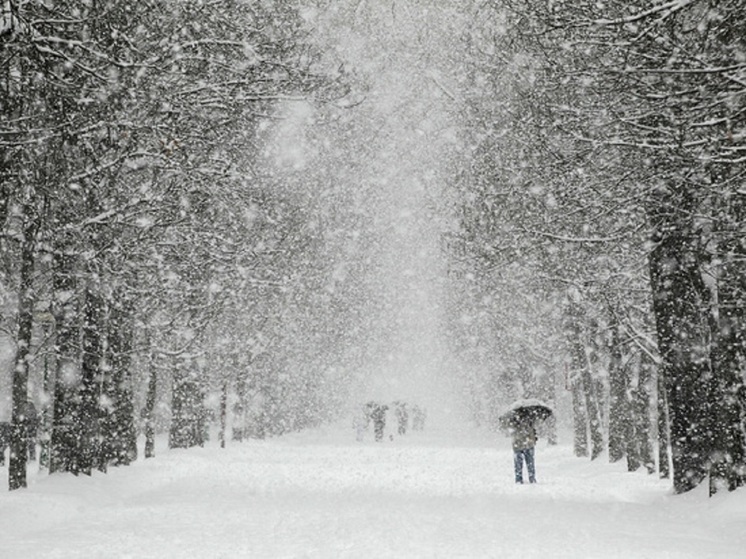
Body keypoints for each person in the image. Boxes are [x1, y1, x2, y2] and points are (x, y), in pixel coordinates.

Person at [510, 416, 537, 484]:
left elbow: (510, 432)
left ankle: (519, 479)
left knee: (518, 464)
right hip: (528, 444)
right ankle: (532, 478)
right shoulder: (530, 419)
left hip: (518, 444)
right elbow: (532, 432)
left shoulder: (513, 420)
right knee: (530, 463)